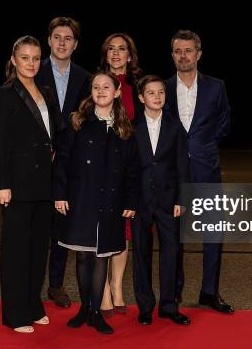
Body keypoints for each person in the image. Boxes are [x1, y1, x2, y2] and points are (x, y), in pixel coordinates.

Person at [53, 71, 139, 334]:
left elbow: (131, 171)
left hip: (110, 201)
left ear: (116, 93)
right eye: (95, 87)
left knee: (102, 256)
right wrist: (60, 194)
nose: (100, 91)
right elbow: (62, 162)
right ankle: (83, 309)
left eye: (106, 87)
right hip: (81, 198)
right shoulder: (78, 123)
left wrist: (130, 200)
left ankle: (94, 312)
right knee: (82, 256)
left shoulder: (124, 129)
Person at [0, 35, 64, 333]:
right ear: (14, 60)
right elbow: (0, 142)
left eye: (36, 58)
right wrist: (2, 184)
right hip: (18, 184)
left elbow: (56, 133)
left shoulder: (47, 92)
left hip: (44, 184)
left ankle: (33, 305)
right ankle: (15, 313)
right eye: (25, 57)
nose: (31, 63)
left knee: (38, 250)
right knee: (16, 252)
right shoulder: (5, 93)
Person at [164, 30, 234, 314]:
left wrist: (201, 146)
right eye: (178, 51)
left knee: (213, 232)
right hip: (173, 172)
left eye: (188, 50)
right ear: (172, 55)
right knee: (174, 234)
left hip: (207, 169)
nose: (183, 55)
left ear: (198, 54)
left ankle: (209, 292)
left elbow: (224, 124)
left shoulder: (217, 87)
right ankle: (174, 291)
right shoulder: (162, 88)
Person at [36, 16, 91, 309]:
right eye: (57, 37)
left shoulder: (85, 77)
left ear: (75, 44)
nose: (61, 42)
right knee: (34, 225)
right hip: (36, 160)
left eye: (68, 38)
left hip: (68, 161)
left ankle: (55, 285)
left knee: (60, 225)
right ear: (48, 40)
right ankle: (30, 285)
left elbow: (84, 120)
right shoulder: (33, 70)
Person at [132, 75, 191, 326]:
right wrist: (129, 200)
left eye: (161, 93)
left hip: (169, 200)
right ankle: (145, 306)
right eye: (151, 93)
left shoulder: (175, 127)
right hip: (139, 200)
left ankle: (169, 305)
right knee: (141, 254)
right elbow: (127, 169)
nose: (157, 97)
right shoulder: (131, 127)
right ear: (141, 97)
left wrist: (181, 198)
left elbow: (182, 165)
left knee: (172, 252)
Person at [98, 32, 143, 315]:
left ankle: (117, 287)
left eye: (122, 49)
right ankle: (101, 289)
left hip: (129, 165)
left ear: (130, 54)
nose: (116, 53)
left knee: (124, 230)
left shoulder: (139, 84)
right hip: (101, 166)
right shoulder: (96, 83)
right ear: (105, 54)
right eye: (111, 49)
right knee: (102, 229)